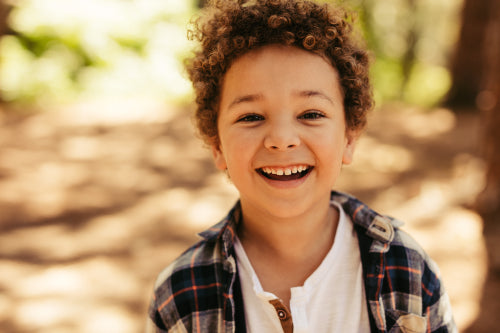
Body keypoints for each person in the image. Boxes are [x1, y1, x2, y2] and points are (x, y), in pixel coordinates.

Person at [147, 0, 457, 332]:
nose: (281, 139)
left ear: (348, 139)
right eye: (251, 117)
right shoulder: (181, 294)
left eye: (310, 114)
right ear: (217, 145)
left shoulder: (407, 270)